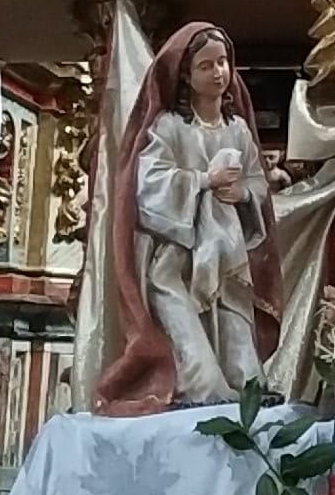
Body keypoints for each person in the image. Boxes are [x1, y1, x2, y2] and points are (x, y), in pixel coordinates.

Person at [95, 22, 282, 414]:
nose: (219, 73)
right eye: (206, 66)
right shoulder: (170, 127)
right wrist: (202, 181)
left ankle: (246, 386)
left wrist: (244, 194)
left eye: (224, 63)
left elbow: (257, 184)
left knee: (236, 329)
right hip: (177, 261)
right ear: (186, 74)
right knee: (193, 356)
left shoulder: (238, 130)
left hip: (226, 252)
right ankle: (201, 389)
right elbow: (148, 186)